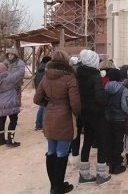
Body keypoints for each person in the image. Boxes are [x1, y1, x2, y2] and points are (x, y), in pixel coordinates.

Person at [34, 49, 81, 194]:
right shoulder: (70, 78)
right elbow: (75, 104)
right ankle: (59, 186)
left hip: (49, 117)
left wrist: (49, 104)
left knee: (51, 151)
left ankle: (54, 184)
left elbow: (37, 99)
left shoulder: (46, 76)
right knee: (62, 152)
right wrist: (76, 114)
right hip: (64, 117)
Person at [76, 49, 111, 185]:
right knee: (102, 142)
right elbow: (100, 97)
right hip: (97, 113)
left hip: (85, 112)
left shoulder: (79, 75)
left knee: (87, 142)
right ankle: (101, 174)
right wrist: (106, 99)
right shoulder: (95, 76)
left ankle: (84, 174)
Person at [0, 62, 25, 147]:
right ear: (6, 70)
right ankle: (10, 140)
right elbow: (20, 72)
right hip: (10, 103)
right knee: (13, 120)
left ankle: (1, 140)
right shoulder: (10, 77)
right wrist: (20, 63)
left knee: (1, 120)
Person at [105, 68, 128, 174]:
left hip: (107, 118)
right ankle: (116, 165)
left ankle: (109, 162)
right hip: (119, 119)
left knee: (109, 141)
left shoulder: (105, 88)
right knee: (118, 141)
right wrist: (126, 113)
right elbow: (126, 107)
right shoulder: (123, 89)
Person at [0, 48, 25, 130]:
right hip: (4, 86)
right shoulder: (5, 62)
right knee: (3, 105)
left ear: (15, 55)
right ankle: (0, 122)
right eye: (9, 54)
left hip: (15, 86)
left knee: (13, 105)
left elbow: (21, 72)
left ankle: (13, 120)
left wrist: (12, 80)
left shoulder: (19, 62)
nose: (10, 56)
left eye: (12, 54)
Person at [68, 56, 83, 168]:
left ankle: (69, 153)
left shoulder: (66, 76)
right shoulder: (79, 76)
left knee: (69, 132)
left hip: (66, 109)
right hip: (77, 109)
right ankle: (75, 153)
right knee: (76, 133)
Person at [34, 56, 52, 131]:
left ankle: (38, 124)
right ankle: (45, 126)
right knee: (45, 107)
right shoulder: (47, 69)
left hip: (39, 89)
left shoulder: (39, 68)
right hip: (45, 91)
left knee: (41, 107)